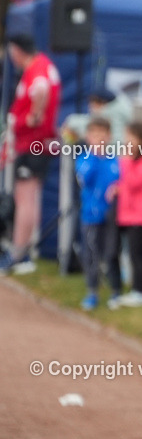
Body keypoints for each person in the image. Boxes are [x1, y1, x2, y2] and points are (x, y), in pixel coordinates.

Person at [0, 34, 62, 275]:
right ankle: (20, 251)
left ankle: (19, 253)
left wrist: (32, 117)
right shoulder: (40, 66)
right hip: (31, 142)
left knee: (26, 196)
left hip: (33, 142)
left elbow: (41, 90)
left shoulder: (38, 69)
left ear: (17, 50)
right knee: (27, 195)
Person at [112, 122, 142, 307]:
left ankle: (140, 292)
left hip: (141, 217)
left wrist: (125, 160)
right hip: (129, 216)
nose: (127, 142)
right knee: (133, 255)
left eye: (131, 137)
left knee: (137, 255)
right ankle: (139, 290)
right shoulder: (136, 160)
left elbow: (133, 182)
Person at [75, 117, 122, 310]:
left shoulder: (115, 160)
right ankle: (92, 291)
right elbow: (85, 179)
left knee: (112, 253)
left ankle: (115, 291)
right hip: (90, 216)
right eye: (94, 134)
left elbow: (121, 182)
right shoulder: (84, 159)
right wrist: (95, 155)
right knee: (91, 254)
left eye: (103, 134)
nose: (99, 138)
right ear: (88, 137)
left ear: (109, 136)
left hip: (112, 216)